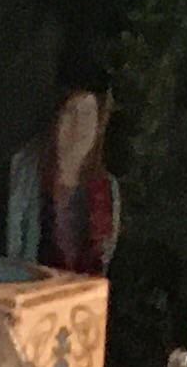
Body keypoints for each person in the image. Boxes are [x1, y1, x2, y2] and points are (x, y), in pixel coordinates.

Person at [8, 86, 119, 274]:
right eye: (70, 112)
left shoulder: (108, 189)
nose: (78, 124)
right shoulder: (24, 174)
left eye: (87, 114)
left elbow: (104, 261)